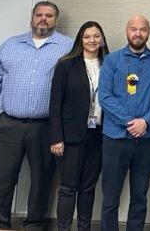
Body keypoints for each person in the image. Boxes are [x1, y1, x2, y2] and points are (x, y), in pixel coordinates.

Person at [0, 1, 73, 231]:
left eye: (49, 15)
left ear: (56, 19)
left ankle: (34, 225)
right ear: (32, 18)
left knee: (42, 180)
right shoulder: (10, 45)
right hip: (7, 125)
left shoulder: (68, 47)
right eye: (39, 15)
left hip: (46, 127)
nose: (43, 19)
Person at [98, 15, 150, 231]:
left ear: (149, 31)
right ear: (126, 31)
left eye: (142, 29)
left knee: (140, 195)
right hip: (115, 139)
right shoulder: (111, 60)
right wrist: (130, 122)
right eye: (134, 29)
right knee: (110, 197)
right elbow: (105, 97)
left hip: (146, 141)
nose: (138, 33)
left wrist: (145, 121)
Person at [48, 21, 109, 231]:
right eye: (87, 36)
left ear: (102, 39)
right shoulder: (66, 64)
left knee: (88, 188)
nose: (92, 40)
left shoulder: (109, 64)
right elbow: (55, 103)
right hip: (70, 137)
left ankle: (84, 228)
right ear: (80, 40)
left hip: (99, 135)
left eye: (96, 36)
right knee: (67, 188)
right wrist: (56, 137)